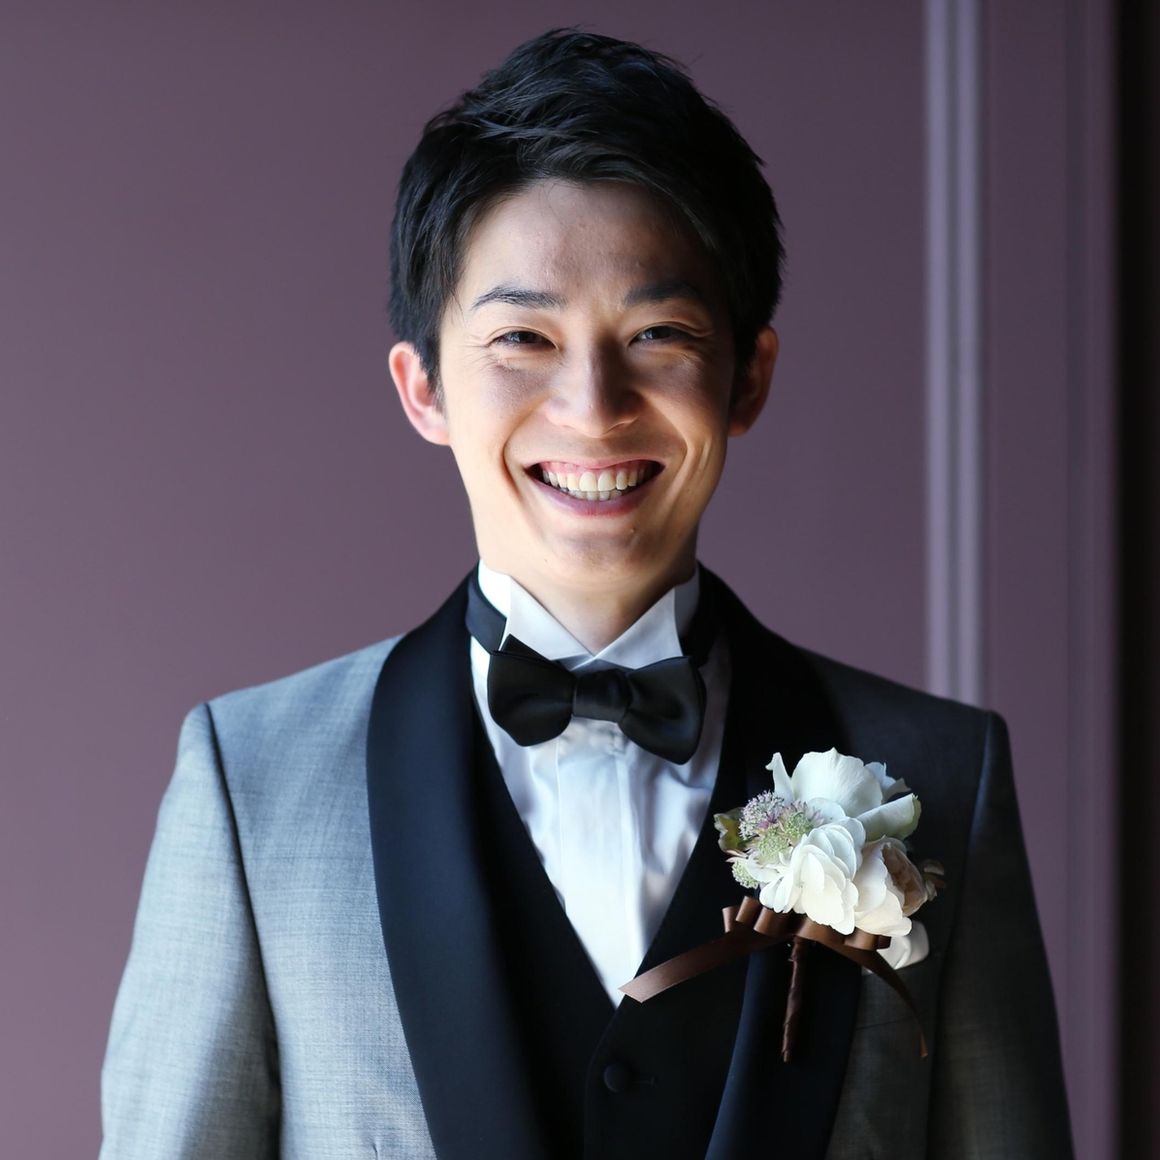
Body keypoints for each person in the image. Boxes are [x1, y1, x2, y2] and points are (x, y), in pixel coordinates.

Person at [99, 29, 1073, 1160]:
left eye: (657, 334)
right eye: (523, 337)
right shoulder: (251, 786)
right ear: (423, 388)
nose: (593, 407)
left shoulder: (942, 778)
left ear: (747, 377)